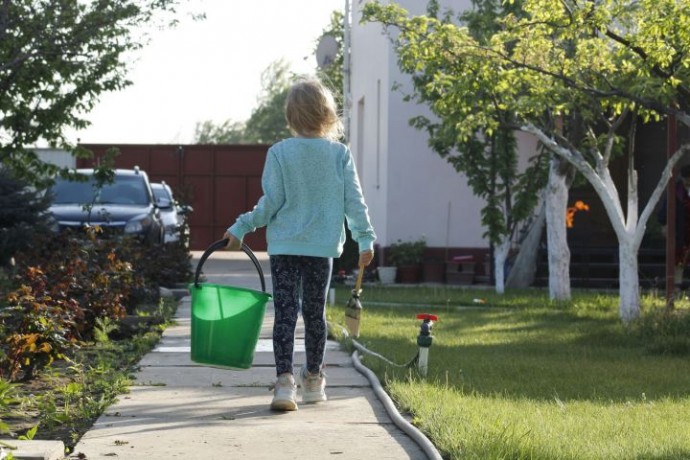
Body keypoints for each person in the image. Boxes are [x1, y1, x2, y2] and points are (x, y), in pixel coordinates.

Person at [223, 77, 376, 411]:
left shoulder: (279, 153)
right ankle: (313, 380)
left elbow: (270, 203)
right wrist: (364, 238)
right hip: (321, 249)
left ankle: (283, 383)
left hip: (285, 248)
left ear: (291, 116)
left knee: (285, 314)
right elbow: (355, 202)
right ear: (327, 114)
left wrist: (241, 227)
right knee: (315, 314)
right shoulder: (340, 155)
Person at [657, 164, 690, 289]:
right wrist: (664, 224)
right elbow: (667, 208)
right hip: (680, 229)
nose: (688, 182)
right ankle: (676, 286)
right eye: (686, 180)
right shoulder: (676, 190)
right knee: (679, 258)